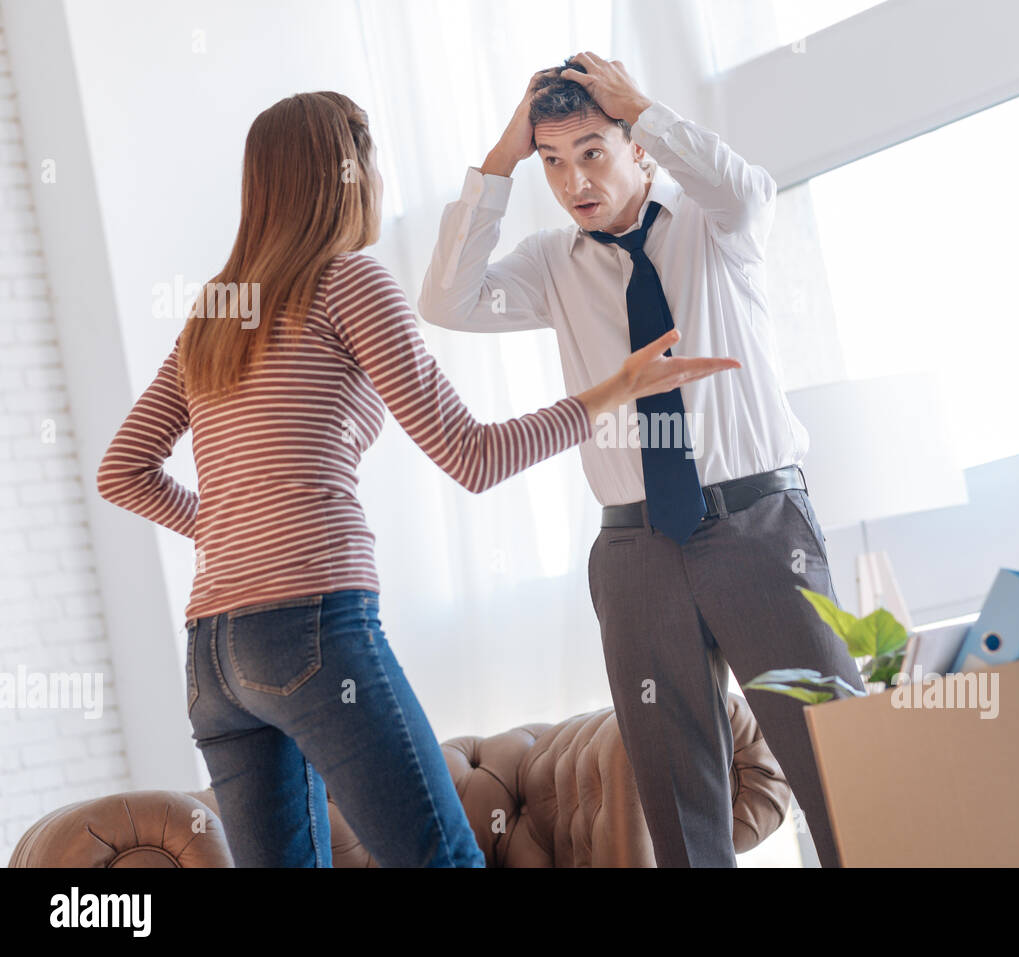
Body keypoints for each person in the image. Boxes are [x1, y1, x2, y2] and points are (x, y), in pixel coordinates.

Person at [96, 90, 738, 868]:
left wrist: (233, 528)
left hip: (215, 658)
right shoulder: (349, 283)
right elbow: (473, 456)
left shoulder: (216, 311)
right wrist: (613, 391)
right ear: (351, 170)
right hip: (311, 628)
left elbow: (121, 470)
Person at [418, 53, 865, 867]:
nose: (573, 181)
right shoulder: (553, 264)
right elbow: (447, 299)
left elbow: (749, 189)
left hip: (759, 529)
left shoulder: (712, 225)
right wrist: (500, 160)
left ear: (640, 150)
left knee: (844, 767)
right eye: (553, 161)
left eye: (592, 151)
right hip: (634, 554)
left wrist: (644, 105)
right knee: (679, 803)